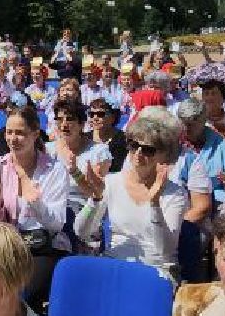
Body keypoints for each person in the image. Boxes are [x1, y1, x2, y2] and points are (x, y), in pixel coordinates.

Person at [77, 106, 191, 279]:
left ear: (163, 155)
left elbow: (166, 250)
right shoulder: (111, 182)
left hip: (156, 270)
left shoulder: (175, 194)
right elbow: (82, 232)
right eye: (134, 145)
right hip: (116, 265)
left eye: (148, 150)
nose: (138, 153)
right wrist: (95, 199)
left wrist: (154, 204)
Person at [0, 105, 72, 305]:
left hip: (41, 247)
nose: (13, 139)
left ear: (35, 134)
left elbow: (56, 225)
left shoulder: (54, 170)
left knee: (20, 293)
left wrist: (36, 203)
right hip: (4, 246)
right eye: (9, 132)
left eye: (20, 133)